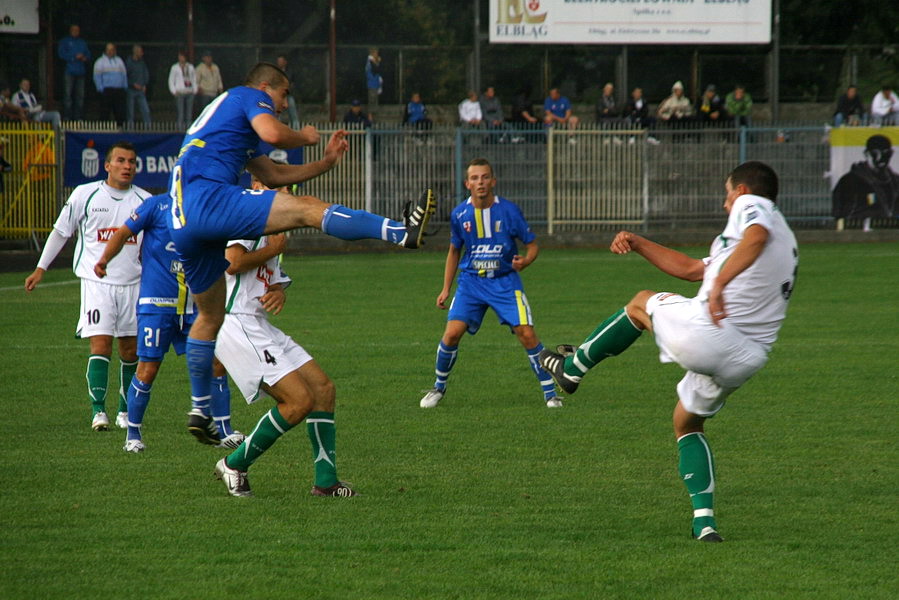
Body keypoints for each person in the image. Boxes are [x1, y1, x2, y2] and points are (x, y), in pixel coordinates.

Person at [165, 62, 435, 457]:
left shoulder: (224, 126)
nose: (282, 103)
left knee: (209, 317)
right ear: (265, 86)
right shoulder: (246, 95)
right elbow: (274, 134)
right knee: (309, 210)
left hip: (182, 218)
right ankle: (400, 232)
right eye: (283, 94)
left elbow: (272, 174)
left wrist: (325, 164)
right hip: (209, 198)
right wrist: (306, 136)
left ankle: (199, 409)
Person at [538, 161, 798, 543]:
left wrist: (722, 284)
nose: (726, 205)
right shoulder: (783, 237)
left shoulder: (752, 208)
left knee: (641, 302)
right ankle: (704, 522)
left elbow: (754, 237)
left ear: (741, 190)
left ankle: (572, 369)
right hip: (748, 357)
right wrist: (640, 242)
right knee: (686, 423)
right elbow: (694, 269)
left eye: (727, 194)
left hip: (714, 332)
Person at [211, 171, 355, 497]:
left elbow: (271, 280)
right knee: (298, 401)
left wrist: (278, 291)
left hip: (259, 323)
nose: (284, 191)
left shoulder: (275, 227)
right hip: (237, 324)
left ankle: (326, 481)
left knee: (322, 388)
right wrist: (271, 249)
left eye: (287, 186)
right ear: (257, 187)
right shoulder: (246, 219)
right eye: (276, 185)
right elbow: (231, 263)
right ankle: (234, 464)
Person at [93, 193, 244, 452]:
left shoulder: (205, 208)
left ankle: (224, 431)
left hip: (196, 307)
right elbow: (122, 233)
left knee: (216, 363)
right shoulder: (156, 205)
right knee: (148, 369)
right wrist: (104, 259)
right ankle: (133, 435)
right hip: (157, 305)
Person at [25, 142, 150, 432]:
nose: (127, 166)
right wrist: (41, 268)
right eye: (121, 160)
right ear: (107, 165)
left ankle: (124, 411)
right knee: (101, 344)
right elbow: (61, 232)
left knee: (130, 350)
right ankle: (98, 411)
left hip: (134, 283)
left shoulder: (144, 200)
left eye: (132, 161)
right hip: (97, 284)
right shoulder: (86, 194)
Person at [419, 158, 562, 410]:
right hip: (471, 283)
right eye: (474, 178)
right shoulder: (459, 214)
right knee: (451, 334)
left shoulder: (509, 211)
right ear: (467, 184)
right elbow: (454, 251)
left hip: (505, 282)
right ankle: (438, 387)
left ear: (493, 181)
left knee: (527, 334)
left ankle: (550, 394)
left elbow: (533, 245)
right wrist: (445, 288)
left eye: (484, 177)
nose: (480, 182)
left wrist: (526, 261)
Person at [832, 134, 899, 232]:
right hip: (855, 229)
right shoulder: (850, 180)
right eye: (876, 153)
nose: (881, 158)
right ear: (866, 154)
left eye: (886, 153)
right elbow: (839, 209)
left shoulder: (895, 181)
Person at [58, 24, 90, 120]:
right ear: (70, 30)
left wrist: (84, 58)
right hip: (70, 71)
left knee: (80, 96)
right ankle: (67, 116)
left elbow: (88, 54)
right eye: (74, 30)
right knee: (68, 94)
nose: (76, 32)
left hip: (81, 72)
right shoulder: (65, 41)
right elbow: (61, 54)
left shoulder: (82, 42)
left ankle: (78, 117)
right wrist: (73, 57)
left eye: (77, 30)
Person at [93, 43, 128, 125]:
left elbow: (124, 74)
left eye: (112, 50)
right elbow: (97, 76)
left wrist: (124, 87)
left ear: (115, 51)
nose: (110, 52)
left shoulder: (119, 61)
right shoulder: (100, 62)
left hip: (119, 90)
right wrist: (100, 88)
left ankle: (121, 130)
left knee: (120, 112)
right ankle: (103, 130)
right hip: (107, 90)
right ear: (105, 51)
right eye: (108, 50)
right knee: (105, 112)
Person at [168, 50, 197, 130]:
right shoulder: (175, 67)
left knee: (189, 113)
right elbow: (171, 80)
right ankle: (180, 129)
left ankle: (188, 129)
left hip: (189, 91)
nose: (181, 58)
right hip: (180, 92)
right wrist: (173, 91)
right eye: (180, 56)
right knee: (180, 112)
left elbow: (194, 79)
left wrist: (195, 90)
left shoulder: (190, 67)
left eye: (182, 56)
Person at [125, 45, 152, 126]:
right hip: (131, 90)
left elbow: (146, 74)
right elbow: (125, 77)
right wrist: (133, 84)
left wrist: (144, 85)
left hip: (141, 90)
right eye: (140, 52)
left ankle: (149, 129)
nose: (142, 53)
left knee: (146, 110)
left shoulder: (142, 62)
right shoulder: (129, 63)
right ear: (136, 52)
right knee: (130, 112)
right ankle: (130, 130)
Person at [275, 55, 299, 127]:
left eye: (281, 61)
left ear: (285, 62)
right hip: (279, 96)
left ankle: (296, 130)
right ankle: (278, 128)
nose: (279, 63)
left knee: (293, 114)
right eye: (278, 61)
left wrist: (287, 90)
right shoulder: (276, 72)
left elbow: (292, 83)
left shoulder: (290, 71)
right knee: (278, 113)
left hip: (288, 95)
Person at [365, 48, 383, 112]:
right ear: (372, 54)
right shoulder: (370, 62)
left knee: (375, 101)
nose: (377, 55)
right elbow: (375, 70)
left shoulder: (373, 62)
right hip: (372, 84)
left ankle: (373, 115)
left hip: (375, 84)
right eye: (375, 53)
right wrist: (378, 62)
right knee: (372, 101)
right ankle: (370, 116)